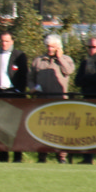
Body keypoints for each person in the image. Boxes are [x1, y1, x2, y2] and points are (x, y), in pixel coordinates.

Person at [30, 34, 75, 163]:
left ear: (58, 47)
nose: (49, 49)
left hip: (59, 102)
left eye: (53, 47)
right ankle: (42, 156)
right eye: (48, 46)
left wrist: (60, 58)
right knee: (42, 130)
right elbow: (30, 78)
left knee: (61, 131)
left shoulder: (66, 59)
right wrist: (32, 87)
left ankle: (62, 157)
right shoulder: (38, 60)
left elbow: (69, 71)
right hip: (42, 101)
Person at [0, 31, 28, 162]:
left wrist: (19, 90)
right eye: (2, 41)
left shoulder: (19, 55)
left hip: (13, 93)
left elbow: (24, 75)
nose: (4, 44)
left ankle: (18, 155)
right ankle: (3, 155)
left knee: (16, 126)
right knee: (0, 127)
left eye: (6, 41)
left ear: (12, 41)